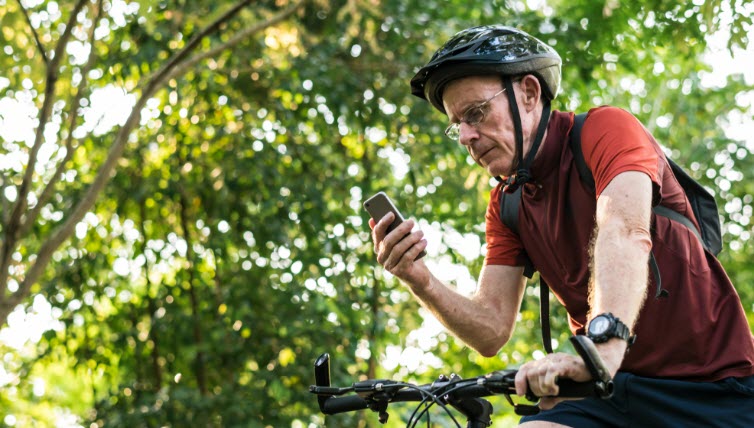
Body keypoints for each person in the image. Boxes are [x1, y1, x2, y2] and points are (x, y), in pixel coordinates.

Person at [369, 25, 754, 426]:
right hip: (609, 393)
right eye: (457, 125)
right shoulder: (508, 204)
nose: (466, 135)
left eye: (476, 113)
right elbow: (490, 329)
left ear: (530, 94)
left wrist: (601, 346)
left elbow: (623, 230)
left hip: (716, 386)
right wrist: (419, 279)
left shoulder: (606, 131)